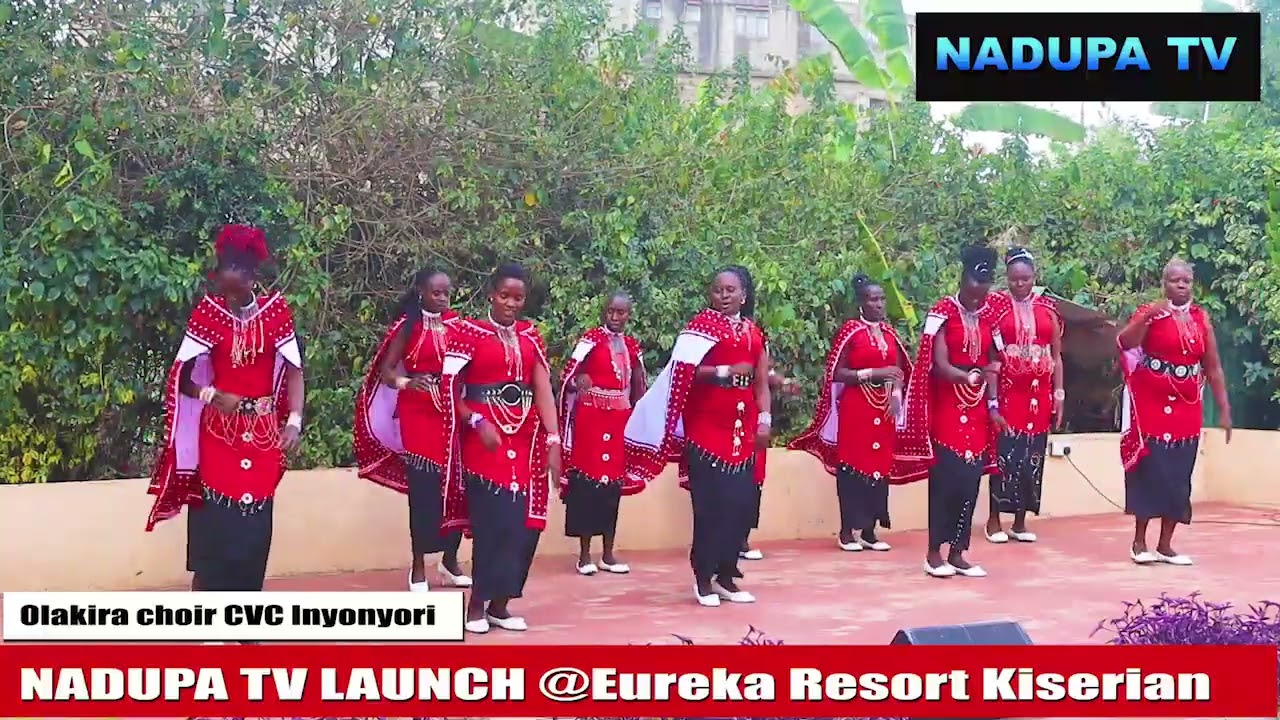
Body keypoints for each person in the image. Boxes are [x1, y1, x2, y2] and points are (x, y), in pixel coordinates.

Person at [145, 224, 305, 594]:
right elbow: (181, 378)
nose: (228, 295)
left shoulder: (276, 313)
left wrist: (294, 421)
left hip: (263, 434)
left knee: (255, 522)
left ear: (251, 278)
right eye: (223, 286)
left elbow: (295, 369)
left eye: (235, 288)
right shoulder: (209, 314)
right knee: (215, 521)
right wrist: (210, 394)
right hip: (218, 434)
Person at [625, 266, 771, 607]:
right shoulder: (699, 329)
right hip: (706, 430)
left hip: (742, 432)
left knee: (739, 505)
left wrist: (764, 420)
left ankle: (726, 577)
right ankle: (704, 578)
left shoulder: (753, 333)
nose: (723, 295)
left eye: (730, 290)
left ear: (743, 295)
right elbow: (681, 372)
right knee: (710, 507)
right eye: (718, 290)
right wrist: (723, 372)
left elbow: (761, 382)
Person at [440, 263, 560, 634]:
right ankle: (476, 605)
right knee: (494, 522)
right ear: (491, 294)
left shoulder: (530, 336)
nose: (511, 303)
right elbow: (450, 390)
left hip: (525, 440)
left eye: (518, 298)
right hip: (484, 439)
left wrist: (554, 439)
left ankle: (501, 605)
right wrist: (476, 421)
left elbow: (542, 389)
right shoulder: (467, 333)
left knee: (524, 526)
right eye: (504, 296)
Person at [352, 268, 471, 591]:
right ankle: (418, 566)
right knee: (423, 491)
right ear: (421, 291)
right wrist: (408, 382)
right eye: (436, 292)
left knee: (455, 488)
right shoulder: (408, 326)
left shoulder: (458, 325)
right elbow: (387, 371)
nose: (443, 298)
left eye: (446, 293)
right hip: (417, 413)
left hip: (450, 411)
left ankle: (450, 561)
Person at [1117, 258, 1231, 566]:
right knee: (1150, 468)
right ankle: (1139, 543)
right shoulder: (1150, 312)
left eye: (1186, 281)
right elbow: (1125, 342)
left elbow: (1213, 367)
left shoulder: (1200, 318)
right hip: (1150, 404)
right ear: (1164, 283)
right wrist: (1148, 317)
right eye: (1174, 280)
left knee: (1179, 472)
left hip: (1187, 406)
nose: (1181, 285)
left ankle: (1165, 545)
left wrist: (1224, 408)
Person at [895, 246, 1000, 579]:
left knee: (970, 481)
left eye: (985, 285)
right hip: (947, 407)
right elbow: (938, 364)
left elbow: (994, 363)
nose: (978, 291)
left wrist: (993, 404)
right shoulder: (943, 313)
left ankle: (958, 553)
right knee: (946, 480)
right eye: (974, 283)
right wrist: (965, 377)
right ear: (962, 278)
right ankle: (933, 553)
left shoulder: (990, 317)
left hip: (977, 408)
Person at [790, 273, 911, 552]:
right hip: (857, 408)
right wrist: (872, 374)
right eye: (872, 299)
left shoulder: (890, 334)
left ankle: (869, 532)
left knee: (879, 467)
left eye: (881, 299)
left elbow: (898, 370)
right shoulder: (851, 332)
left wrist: (896, 395)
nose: (878, 304)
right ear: (861, 303)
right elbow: (838, 372)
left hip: (884, 409)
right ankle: (847, 532)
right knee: (854, 467)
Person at [557, 291, 647, 575]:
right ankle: (584, 555)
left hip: (619, 422)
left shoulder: (632, 346)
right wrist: (578, 381)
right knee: (587, 485)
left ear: (629, 315)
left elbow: (638, 385)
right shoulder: (590, 341)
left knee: (612, 488)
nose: (615, 317)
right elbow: (568, 378)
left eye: (621, 312)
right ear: (603, 312)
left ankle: (608, 554)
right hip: (590, 421)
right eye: (611, 311)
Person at [983, 248, 1064, 544]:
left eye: (1025, 279)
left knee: (1032, 457)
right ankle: (994, 520)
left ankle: (1020, 521)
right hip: (1009, 395)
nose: (1020, 284)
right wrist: (992, 401)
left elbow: (1056, 356)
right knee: (1004, 455)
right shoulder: (997, 308)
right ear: (1007, 278)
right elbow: (991, 358)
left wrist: (1059, 394)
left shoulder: (1048, 309)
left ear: (1034, 277)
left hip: (1039, 398)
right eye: (1015, 279)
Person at [739, 366, 799, 562]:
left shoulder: (758, 348)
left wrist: (782, 382)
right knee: (727, 476)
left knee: (753, 476)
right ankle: (724, 541)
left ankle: (741, 540)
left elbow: (765, 373)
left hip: (754, 417)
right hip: (729, 413)